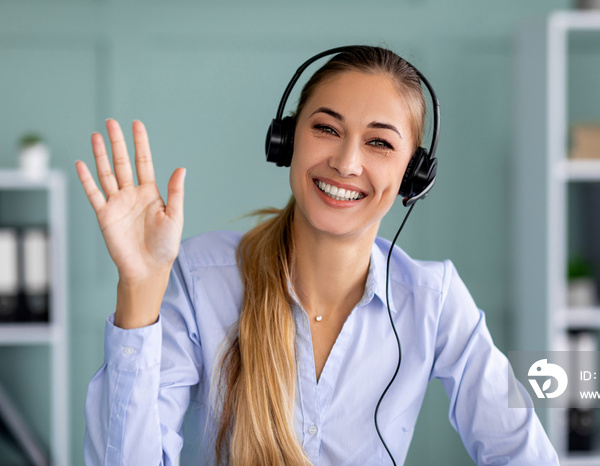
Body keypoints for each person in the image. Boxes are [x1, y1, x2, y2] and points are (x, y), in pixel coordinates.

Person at [77, 46, 558, 466]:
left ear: (414, 175)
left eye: (379, 142)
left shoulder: (433, 300)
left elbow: (520, 451)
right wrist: (138, 288)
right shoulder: (202, 279)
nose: (347, 163)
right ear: (286, 141)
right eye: (327, 128)